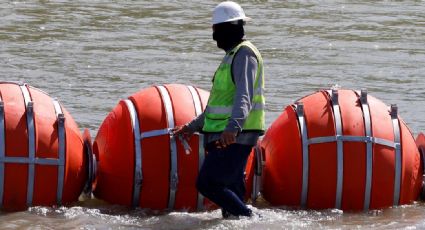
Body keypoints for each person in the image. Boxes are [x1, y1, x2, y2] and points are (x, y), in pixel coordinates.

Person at [172, 1, 265, 218]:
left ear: (229, 28)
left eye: (216, 30)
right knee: (230, 190)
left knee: (207, 182)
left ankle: (253, 220)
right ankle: (241, 221)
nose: (214, 37)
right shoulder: (231, 56)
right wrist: (191, 127)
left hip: (235, 135)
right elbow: (215, 107)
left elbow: (245, 96)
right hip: (227, 134)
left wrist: (232, 129)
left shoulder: (244, 54)